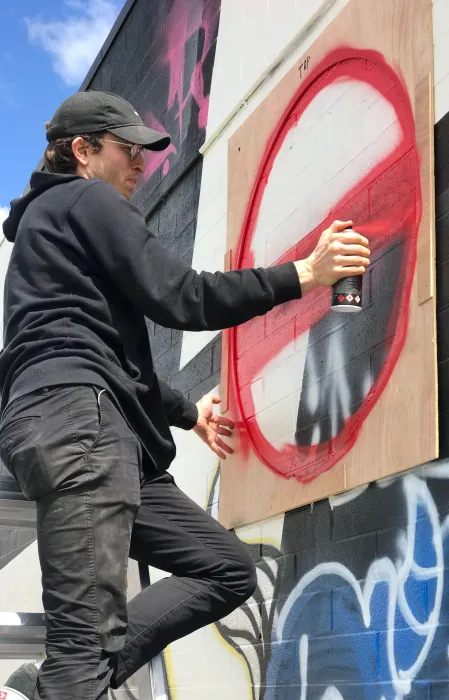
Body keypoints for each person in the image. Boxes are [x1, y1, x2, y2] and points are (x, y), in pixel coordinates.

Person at [0, 91, 370, 700]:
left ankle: (54, 682)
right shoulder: (85, 198)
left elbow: (104, 352)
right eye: (127, 148)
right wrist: (306, 273)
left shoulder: (46, 234)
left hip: (92, 429)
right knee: (82, 649)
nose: (141, 163)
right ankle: (66, 679)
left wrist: (188, 411)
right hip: (80, 428)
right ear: (82, 151)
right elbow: (184, 297)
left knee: (227, 569)